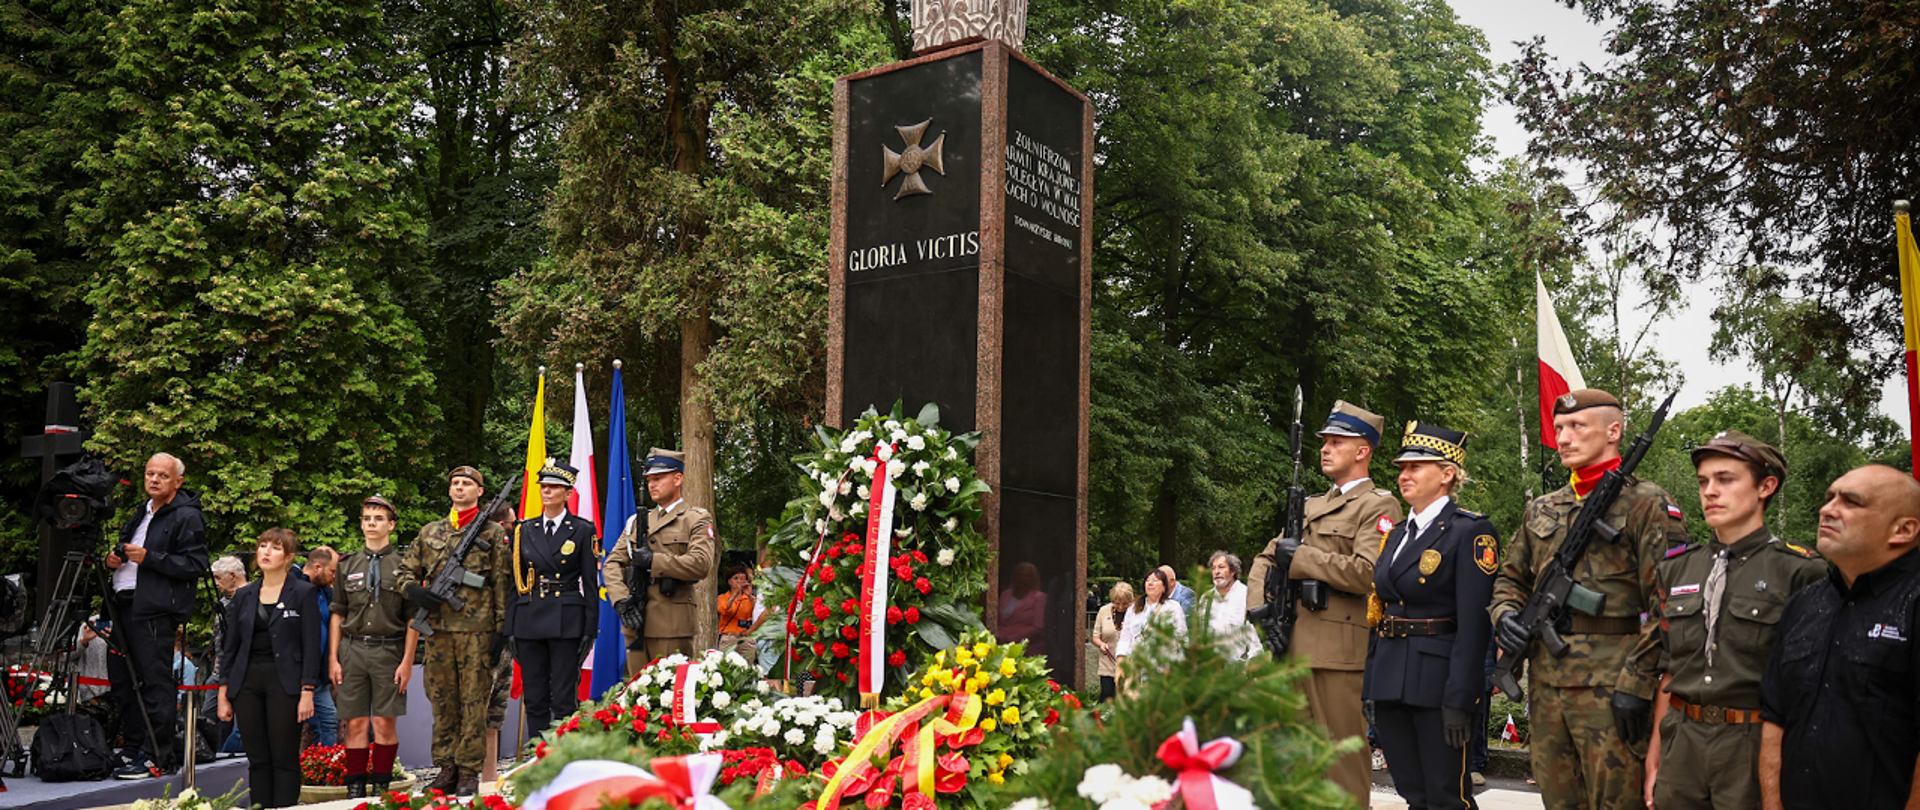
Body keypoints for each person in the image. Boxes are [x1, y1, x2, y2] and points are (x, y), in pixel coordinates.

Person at [1490, 389, 1689, 810]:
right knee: (1558, 801)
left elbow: (1670, 605)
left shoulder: (1648, 504)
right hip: (1547, 686)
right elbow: (1511, 579)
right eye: (1559, 428)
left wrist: (1637, 683)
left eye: (1577, 427)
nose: (1563, 438)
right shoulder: (1543, 508)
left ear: (1613, 432)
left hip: (1612, 685)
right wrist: (1506, 615)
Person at [1643, 431, 1822, 809]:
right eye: (1703, 481)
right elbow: (1671, 670)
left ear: (1766, 487)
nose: (1710, 491)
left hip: (1752, 744)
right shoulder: (1677, 569)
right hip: (1683, 743)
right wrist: (1655, 756)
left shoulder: (1800, 572)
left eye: (1725, 480)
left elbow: (1810, 687)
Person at [1248, 400, 1403, 803]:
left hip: (1338, 653)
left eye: (1336, 442)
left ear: (1363, 451)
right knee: (1293, 762)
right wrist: (1259, 610)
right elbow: (1265, 558)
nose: (1325, 448)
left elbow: (1369, 572)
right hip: (1291, 645)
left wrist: (1301, 558)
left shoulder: (1379, 505)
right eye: (1324, 441)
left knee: (1340, 763)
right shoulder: (1310, 504)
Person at [1760, 464, 1920, 810]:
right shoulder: (1804, 603)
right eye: (1829, 498)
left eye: (1851, 502)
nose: (1827, 510)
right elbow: (1775, 717)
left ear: (1904, 530)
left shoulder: (1914, 602)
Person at [1364, 422, 1497, 810]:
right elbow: (1382, 610)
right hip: (1391, 678)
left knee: (1446, 797)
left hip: (1439, 684)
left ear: (1447, 474)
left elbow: (1474, 625)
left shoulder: (1470, 531)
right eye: (1402, 468)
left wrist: (1462, 698)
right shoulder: (1398, 533)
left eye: (1415, 467)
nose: (1404, 475)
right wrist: (1372, 684)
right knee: (1413, 793)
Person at [396, 465, 512, 797]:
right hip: (438, 632)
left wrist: (501, 630)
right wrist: (415, 591)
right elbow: (404, 572)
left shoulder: (492, 532)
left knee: (474, 701)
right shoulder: (430, 532)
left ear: (479, 491)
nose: (460, 487)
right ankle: (446, 767)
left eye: (467, 483)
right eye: (455, 483)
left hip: (478, 631)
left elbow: (501, 582)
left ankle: (469, 771)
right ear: (449, 490)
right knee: (442, 700)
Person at [104, 452, 210, 778]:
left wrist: (149, 557)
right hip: (123, 604)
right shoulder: (143, 510)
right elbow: (129, 553)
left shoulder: (187, 516)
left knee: (155, 682)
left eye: (163, 475)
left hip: (154, 607)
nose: (154, 479)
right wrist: (114, 560)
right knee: (123, 680)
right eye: (150, 473)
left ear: (178, 482)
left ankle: (156, 755)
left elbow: (195, 564)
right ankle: (133, 747)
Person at [215, 529, 322, 809]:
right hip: (247, 681)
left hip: (286, 681)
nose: (266, 552)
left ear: (288, 557)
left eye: (275, 548)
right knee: (257, 759)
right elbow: (230, 646)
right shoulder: (244, 595)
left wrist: (307, 690)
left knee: (284, 757)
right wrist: (224, 692)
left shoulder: (304, 592)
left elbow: (311, 645)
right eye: (262, 545)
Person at [329, 495, 419, 799]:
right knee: (354, 723)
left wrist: (407, 661)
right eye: (367, 518)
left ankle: (382, 789)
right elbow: (338, 613)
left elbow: (412, 618)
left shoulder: (404, 566)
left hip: (388, 650)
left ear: (391, 525)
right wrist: (333, 659)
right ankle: (355, 790)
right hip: (352, 650)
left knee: (384, 722)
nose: (371, 523)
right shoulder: (347, 565)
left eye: (378, 519)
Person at [505, 460, 600, 741]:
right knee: (534, 696)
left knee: (563, 698)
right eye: (543, 486)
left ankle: (561, 755)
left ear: (568, 493)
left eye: (554, 487)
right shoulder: (524, 529)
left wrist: (590, 629)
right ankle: (536, 754)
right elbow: (515, 582)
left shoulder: (582, 530)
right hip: (529, 616)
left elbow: (590, 585)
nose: (546, 491)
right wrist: (510, 627)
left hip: (566, 617)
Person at [605, 447, 716, 667]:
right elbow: (612, 563)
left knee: (671, 687)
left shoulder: (695, 518)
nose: (652, 485)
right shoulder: (637, 522)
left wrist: (653, 561)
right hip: (636, 620)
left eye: (658, 478)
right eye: (649, 480)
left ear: (678, 479)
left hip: (672, 622)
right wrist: (620, 600)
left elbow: (701, 563)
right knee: (636, 686)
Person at [1115, 568, 1187, 688]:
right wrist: (1121, 662)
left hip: (1163, 668)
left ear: (1164, 587)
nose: (1150, 583)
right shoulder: (1134, 608)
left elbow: (1182, 638)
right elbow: (1125, 637)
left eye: (1155, 580)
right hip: (1136, 668)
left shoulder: (1173, 607)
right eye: (1148, 580)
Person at [209, 555, 248, 755]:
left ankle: (227, 759)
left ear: (232, 575)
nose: (216, 583)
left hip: (240, 671)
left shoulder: (251, 598)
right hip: (219, 670)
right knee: (208, 717)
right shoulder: (224, 602)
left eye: (218, 577)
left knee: (241, 727)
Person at [304, 546, 340, 746]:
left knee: (328, 721)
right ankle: (231, 758)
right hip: (299, 672)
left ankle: (323, 761)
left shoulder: (323, 591)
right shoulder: (295, 588)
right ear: (317, 567)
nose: (334, 577)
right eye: (332, 571)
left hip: (318, 674)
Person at [1200, 551, 1254, 660]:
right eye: (1213, 568)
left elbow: (1255, 635)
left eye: (1221, 567)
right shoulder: (1206, 598)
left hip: (1238, 663)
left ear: (1233, 571)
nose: (1217, 572)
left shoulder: (1246, 595)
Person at [1092, 582, 1134, 702]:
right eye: (1117, 603)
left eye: (1125, 603)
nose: (1120, 607)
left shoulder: (1136, 612)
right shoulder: (1103, 611)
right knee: (1107, 695)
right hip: (1107, 662)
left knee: (1123, 698)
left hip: (1128, 664)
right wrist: (1101, 644)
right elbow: (1095, 636)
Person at [998, 561, 1048, 644]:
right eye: (1019, 575)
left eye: (1026, 575)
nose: (1022, 578)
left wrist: (1011, 639)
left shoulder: (1040, 598)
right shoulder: (1005, 595)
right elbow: (997, 620)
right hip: (1001, 642)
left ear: (1033, 578)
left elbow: (1038, 627)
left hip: (1028, 645)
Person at [717, 565, 757, 658]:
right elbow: (723, 610)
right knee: (726, 664)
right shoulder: (723, 597)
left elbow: (759, 613)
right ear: (729, 581)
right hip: (729, 638)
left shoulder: (750, 599)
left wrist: (750, 596)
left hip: (746, 638)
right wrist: (734, 595)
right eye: (735, 578)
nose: (739, 581)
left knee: (747, 665)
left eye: (742, 579)